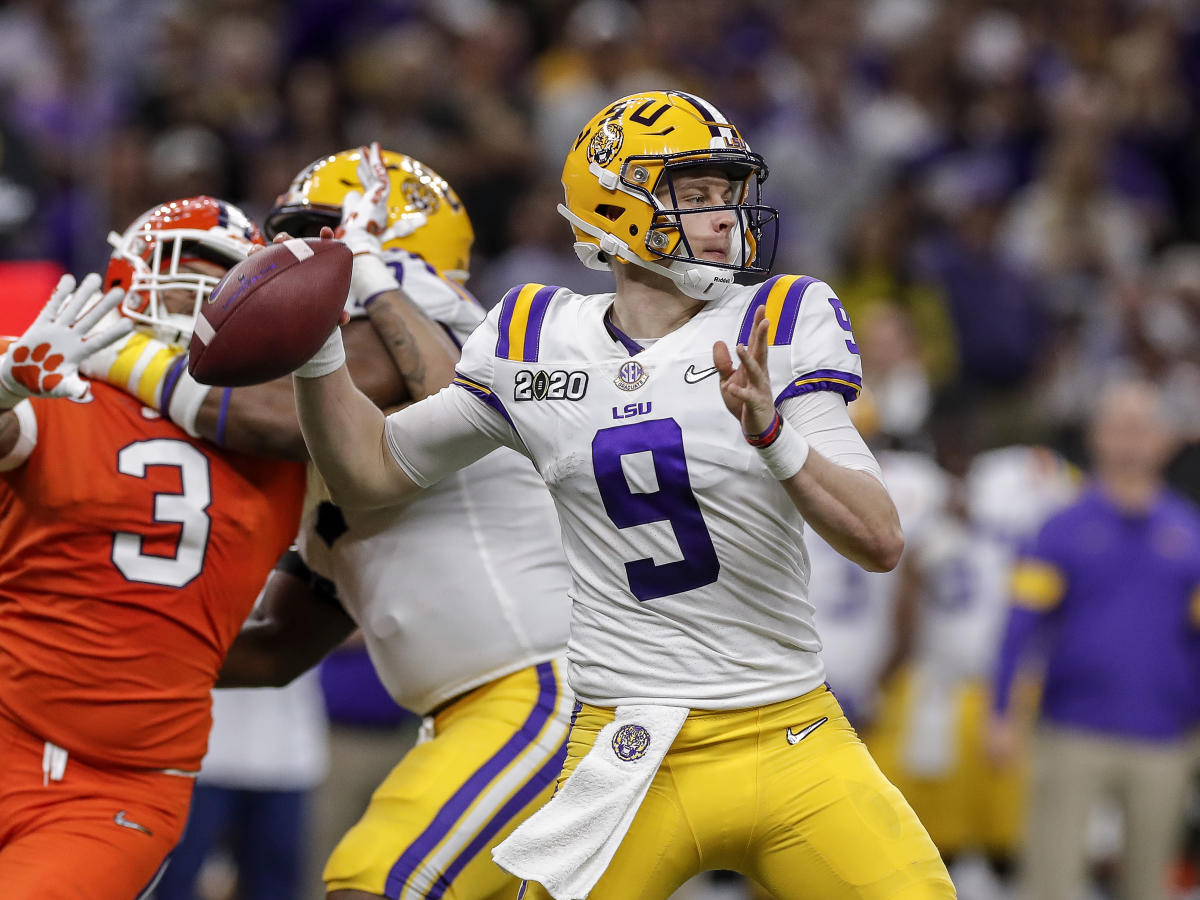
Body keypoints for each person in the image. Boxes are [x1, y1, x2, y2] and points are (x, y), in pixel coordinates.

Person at [286, 91, 955, 899]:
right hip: (629, 745)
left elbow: (880, 538)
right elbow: (371, 470)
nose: (725, 217)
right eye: (697, 195)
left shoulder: (777, 317)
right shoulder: (532, 337)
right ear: (615, 205)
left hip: (790, 731)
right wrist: (316, 347)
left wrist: (775, 435)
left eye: (729, 195)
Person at [88, 145, 576, 900]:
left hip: (546, 692)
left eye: (321, 233)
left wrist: (133, 359)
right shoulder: (339, 446)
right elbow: (276, 649)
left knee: (370, 884)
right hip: (481, 711)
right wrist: (103, 650)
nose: (291, 258)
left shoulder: (421, 336)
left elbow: (275, 417)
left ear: (394, 244)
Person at [0, 197, 307, 900]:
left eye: (232, 281)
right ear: (130, 276)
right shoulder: (53, 375)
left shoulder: (284, 431)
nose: (208, 296)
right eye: (191, 270)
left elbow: (396, 423)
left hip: (115, 786)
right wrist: (4, 386)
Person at [989, 378, 1200, 900]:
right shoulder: (1059, 527)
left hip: (1165, 738)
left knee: (1149, 885)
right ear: (1097, 437)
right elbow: (1020, 624)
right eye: (1120, 427)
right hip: (1071, 732)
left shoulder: (1190, 532)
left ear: (1165, 440)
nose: (1131, 441)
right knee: (1049, 883)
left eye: (1142, 428)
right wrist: (1000, 712)